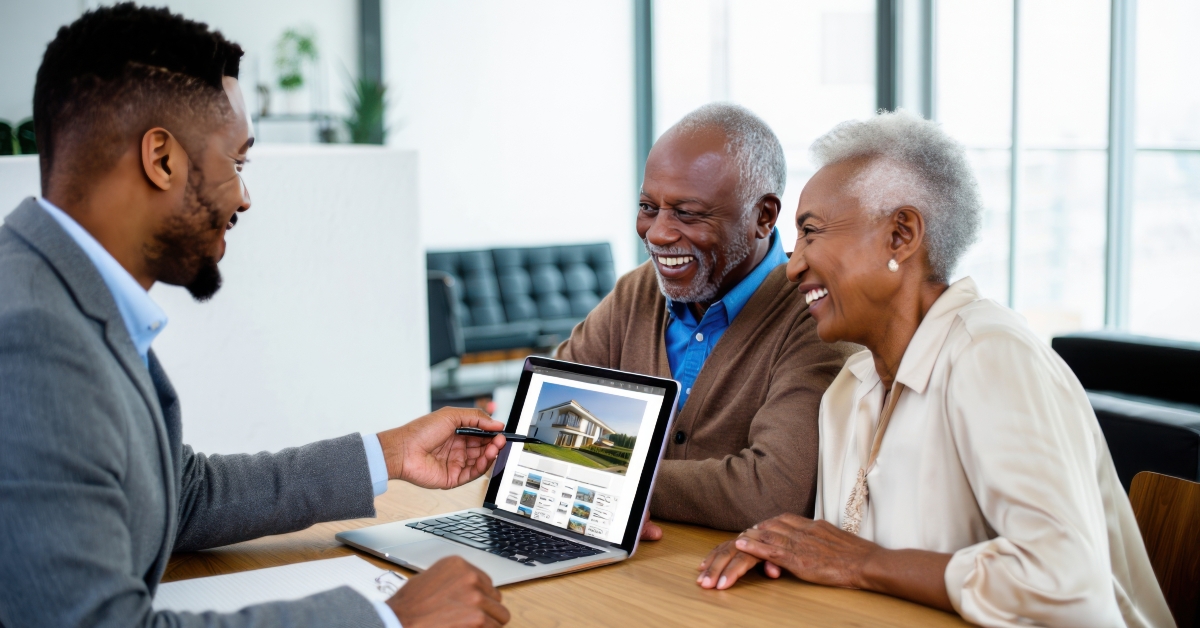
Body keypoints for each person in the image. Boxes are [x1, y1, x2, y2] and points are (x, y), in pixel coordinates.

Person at [0, 5, 510, 627]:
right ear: (161, 159)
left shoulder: (61, 294)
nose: (244, 196)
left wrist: (389, 453)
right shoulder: (31, 335)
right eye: (236, 162)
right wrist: (387, 620)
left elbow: (178, 495)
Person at [695, 110, 1173, 627]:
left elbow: (1067, 583)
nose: (792, 265)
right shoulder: (848, 391)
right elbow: (847, 570)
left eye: (811, 232)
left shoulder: (992, 355)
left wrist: (865, 563)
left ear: (901, 235)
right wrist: (787, 553)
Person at [557, 103, 856, 537]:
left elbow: (771, 492)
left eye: (688, 213)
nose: (657, 233)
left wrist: (602, 475)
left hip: (737, 591)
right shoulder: (637, 292)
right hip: (623, 568)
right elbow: (542, 424)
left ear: (764, 216)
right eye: (648, 206)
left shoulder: (814, 313)